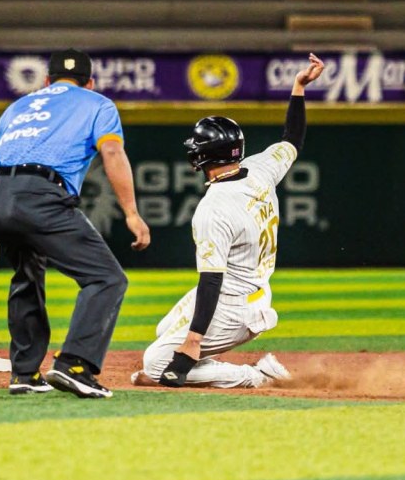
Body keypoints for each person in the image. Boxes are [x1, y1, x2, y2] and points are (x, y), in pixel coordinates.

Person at [131, 52, 325, 389]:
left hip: (233, 308)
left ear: (203, 156)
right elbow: (292, 139)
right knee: (164, 331)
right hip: (254, 293)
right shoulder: (260, 168)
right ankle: (200, 366)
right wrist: (298, 87)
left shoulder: (213, 209)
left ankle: (257, 375)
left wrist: (193, 341)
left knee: (156, 361)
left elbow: (210, 282)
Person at [0, 49, 151, 399]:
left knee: (27, 275)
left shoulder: (18, 107)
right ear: (90, 82)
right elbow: (112, 153)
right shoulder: (98, 103)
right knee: (106, 278)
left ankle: (24, 372)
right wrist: (131, 212)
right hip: (39, 194)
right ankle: (75, 364)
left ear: (47, 81)